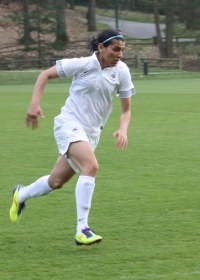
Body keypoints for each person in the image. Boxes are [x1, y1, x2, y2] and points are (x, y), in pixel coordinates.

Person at [9, 29, 135, 246]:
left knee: (56, 181)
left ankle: (21, 194)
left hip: (92, 133)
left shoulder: (121, 71)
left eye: (122, 50)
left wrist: (123, 129)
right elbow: (45, 74)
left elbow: (126, 110)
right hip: (69, 123)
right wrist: (34, 103)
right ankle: (82, 230)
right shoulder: (83, 64)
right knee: (91, 166)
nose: (120, 54)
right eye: (116, 49)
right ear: (101, 47)